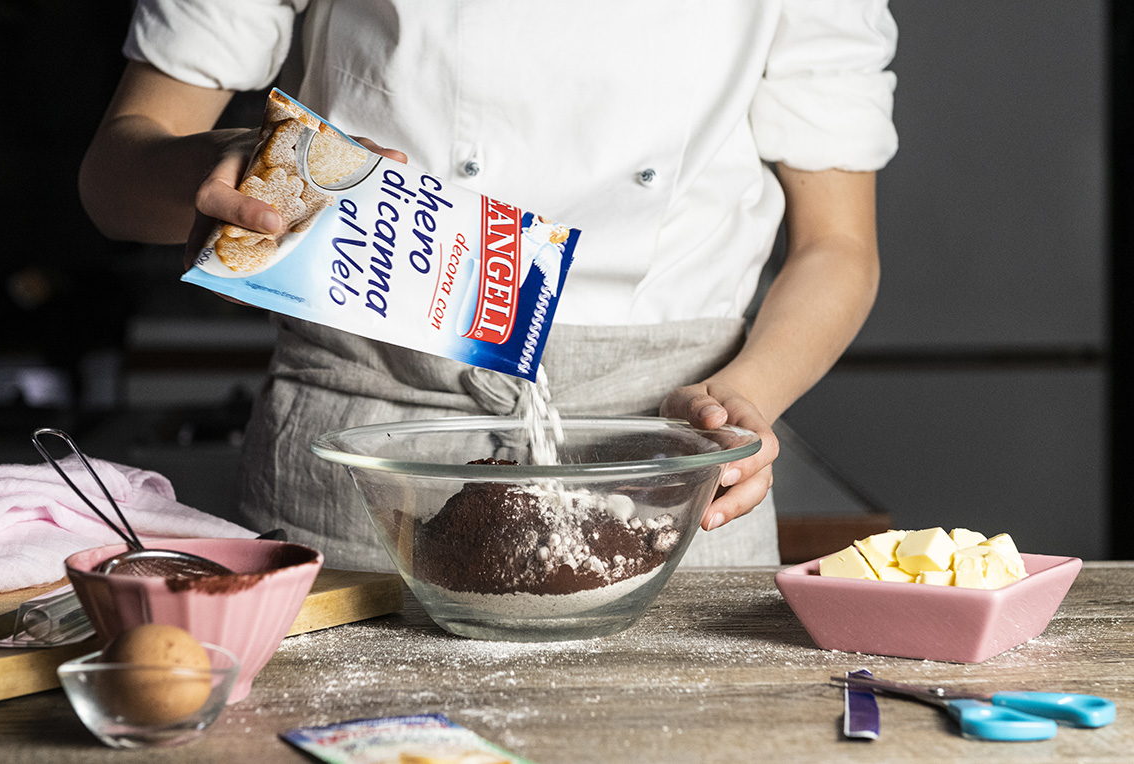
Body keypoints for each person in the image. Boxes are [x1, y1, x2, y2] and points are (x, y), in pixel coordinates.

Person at [79, 1, 898, 571]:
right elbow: (114, 178)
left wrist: (742, 401)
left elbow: (838, 248)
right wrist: (211, 170)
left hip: (670, 475)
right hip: (365, 467)